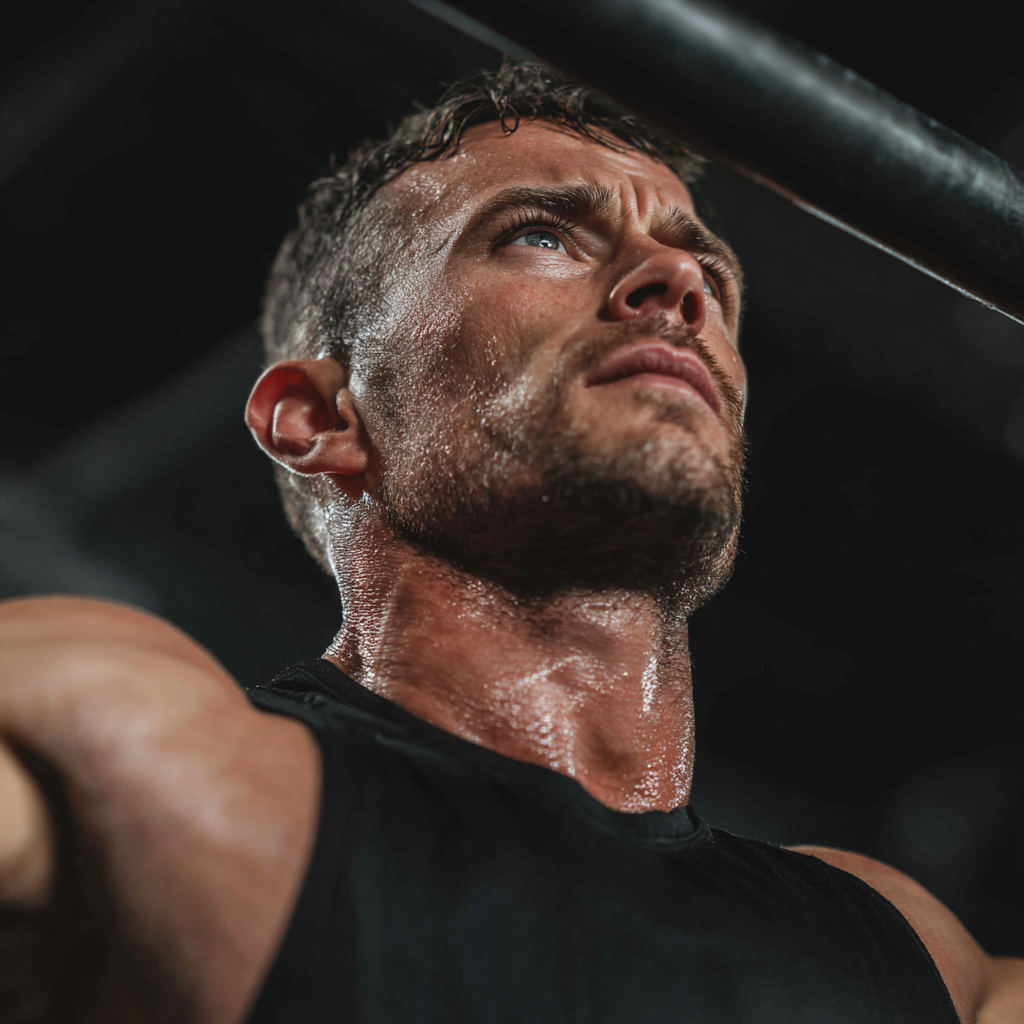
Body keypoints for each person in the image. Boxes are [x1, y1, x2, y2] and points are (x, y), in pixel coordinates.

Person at [1, 63, 1021, 1024]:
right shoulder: (136, 747)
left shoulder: (911, 954)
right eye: (540, 236)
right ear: (322, 419)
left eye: (705, 265)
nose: (676, 281)